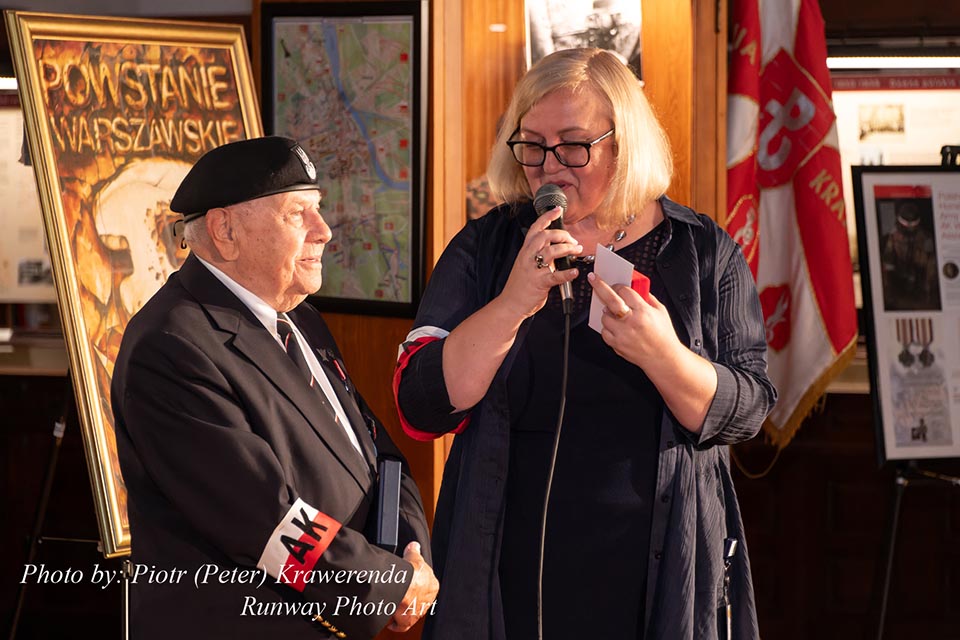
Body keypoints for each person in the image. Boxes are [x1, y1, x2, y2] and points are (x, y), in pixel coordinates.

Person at [393, 48, 776, 639]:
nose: (550, 168)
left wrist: (663, 355)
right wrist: (511, 305)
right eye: (532, 146)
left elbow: (748, 409)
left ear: (625, 146)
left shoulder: (700, 251)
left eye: (574, 146)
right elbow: (421, 405)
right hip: (507, 572)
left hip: (657, 577)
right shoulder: (488, 247)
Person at [113, 136, 438, 639]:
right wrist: (386, 584)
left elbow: (376, 452)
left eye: (318, 209)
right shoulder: (171, 346)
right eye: (297, 214)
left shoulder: (300, 319)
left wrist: (410, 551)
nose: (324, 231)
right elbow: (263, 522)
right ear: (225, 231)